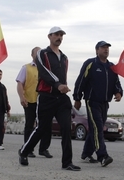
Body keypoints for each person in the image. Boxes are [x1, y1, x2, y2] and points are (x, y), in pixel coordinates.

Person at [19, 26, 80, 171]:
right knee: (42, 128)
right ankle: (24, 151)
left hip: (62, 99)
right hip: (46, 97)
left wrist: (63, 87)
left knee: (66, 128)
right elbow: (45, 73)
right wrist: (58, 84)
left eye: (61, 35)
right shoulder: (42, 54)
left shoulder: (64, 58)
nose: (59, 37)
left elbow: (62, 76)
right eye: (56, 35)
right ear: (49, 36)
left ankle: (67, 162)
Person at [73, 40, 123, 167]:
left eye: (107, 48)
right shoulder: (90, 64)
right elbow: (80, 81)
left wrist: (119, 92)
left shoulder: (112, 67)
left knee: (95, 129)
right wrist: (77, 98)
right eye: (103, 47)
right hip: (92, 101)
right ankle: (103, 156)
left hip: (105, 103)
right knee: (97, 128)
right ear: (97, 50)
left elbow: (116, 83)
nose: (106, 50)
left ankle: (86, 153)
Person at [16, 47, 53, 158]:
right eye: (36, 53)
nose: (38, 55)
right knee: (30, 124)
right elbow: (20, 83)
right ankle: (28, 149)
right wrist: (22, 97)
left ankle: (44, 148)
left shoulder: (47, 68)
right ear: (32, 55)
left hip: (44, 100)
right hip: (30, 100)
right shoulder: (26, 68)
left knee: (46, 125)